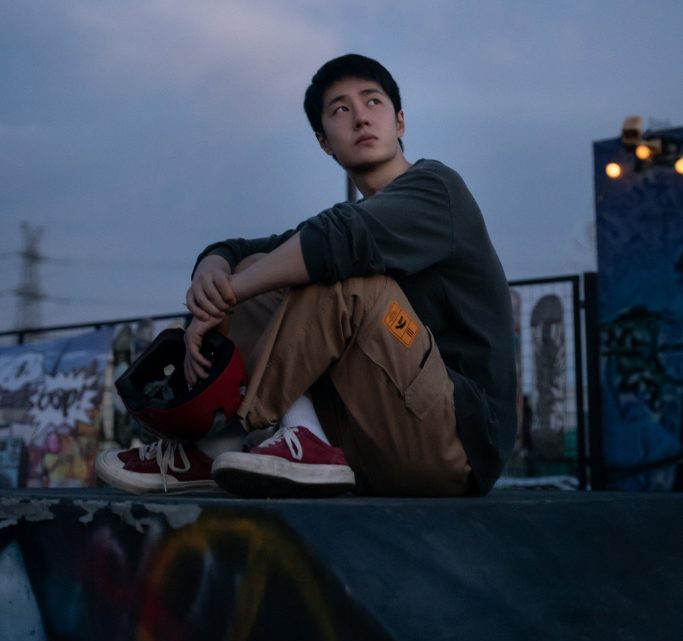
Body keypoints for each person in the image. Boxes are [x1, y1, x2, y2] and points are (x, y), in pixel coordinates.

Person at [97, 54, 516, 498]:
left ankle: (219, 442)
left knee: (345, 280)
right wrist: (213, 269)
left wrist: (226, 297)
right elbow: (247, 251)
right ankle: (299, 438)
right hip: (372, 441)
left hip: (456, 441)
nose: (360, 118)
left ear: (400, 122)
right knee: (263, 269)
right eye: (341, 109)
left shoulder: (438, 189)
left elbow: (335, 240)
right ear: (324, 142)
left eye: (373, 102)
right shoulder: (347, 223)